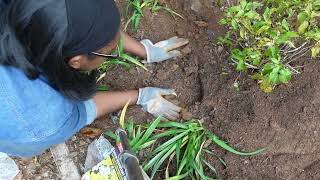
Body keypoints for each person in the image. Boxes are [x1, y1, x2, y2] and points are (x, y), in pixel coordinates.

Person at [0, 0, 188, 157]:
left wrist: (145, 50)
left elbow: (82, 21)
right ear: (76, 60)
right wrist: (140, 96)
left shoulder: (37, 9)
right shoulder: (44, 118)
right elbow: (80, 111)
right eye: (109, 53)